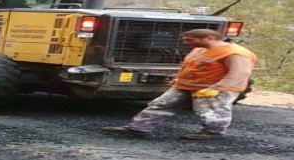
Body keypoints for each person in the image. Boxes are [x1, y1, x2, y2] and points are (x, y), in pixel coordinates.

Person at [102, 28, 257, 140]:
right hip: (186, 86)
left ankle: (212, 132)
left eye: (190, 40)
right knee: (160, 104)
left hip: (216, 89)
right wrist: (179, 79)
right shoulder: (199, 49)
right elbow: (192, 66)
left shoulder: (234, 53)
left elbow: (239, 73)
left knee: (211, 110)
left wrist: (216, 89)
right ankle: (138, 128)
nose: (186, 43)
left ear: (208, 38)